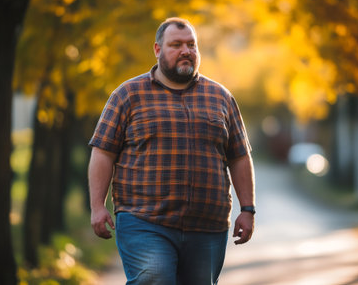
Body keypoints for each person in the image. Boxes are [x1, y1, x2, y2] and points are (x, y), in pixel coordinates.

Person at [88, 17, 255, 285]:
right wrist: (97, 206)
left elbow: (239, 156)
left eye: (191, 44)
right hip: (144, 220)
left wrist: (248, 209)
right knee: (155, 278)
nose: (186, 51)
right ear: (157, 49)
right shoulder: (128, 95)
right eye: (176, 44)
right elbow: (103, 152)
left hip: (207, 226)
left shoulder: (221, 98)